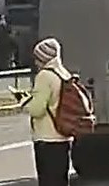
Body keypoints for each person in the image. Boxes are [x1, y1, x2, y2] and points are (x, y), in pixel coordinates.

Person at [24, 37, 73, 186]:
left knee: (48, 181)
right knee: (61, 180)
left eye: (37, 58)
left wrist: (25, 102)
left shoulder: (45, 76)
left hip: (47, 138)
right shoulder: (63, 73)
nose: (35, 62)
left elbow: (37, 110)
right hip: (63, 136)